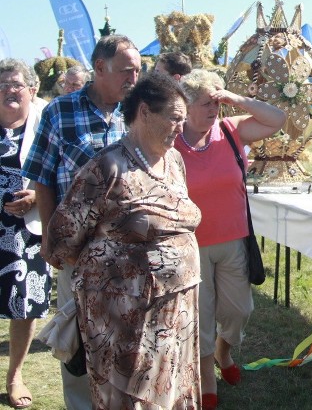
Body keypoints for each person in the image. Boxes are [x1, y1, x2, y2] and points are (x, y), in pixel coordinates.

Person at [42, 72, 202, 408]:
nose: (180, 128)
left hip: (176, 311)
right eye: (174, 118)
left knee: (170, 391)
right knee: (131, 397)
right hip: (125, 318)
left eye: (183, 120)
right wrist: (118, 269)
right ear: (144, 112)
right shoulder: (107, 166)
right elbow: (60, 239)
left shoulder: (174, 160)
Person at [23, 34, 141, 410]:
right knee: (77, 337)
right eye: (127, 70)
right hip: (78, 250)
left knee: (126, 336)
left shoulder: (139, 112)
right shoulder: (59, 111)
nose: (134, 78)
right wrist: (48, 235)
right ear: (100, 68)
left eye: (138, 70)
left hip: (130, 249)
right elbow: (42, 176)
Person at [176, 69, 285, 409]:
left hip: (234, 240)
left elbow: (277, 119)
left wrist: (235, 98)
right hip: (191, 245)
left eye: (217, 102)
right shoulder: (170, 139)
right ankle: (207, 377)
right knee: (202, 315)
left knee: (239, 310)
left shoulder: (229, 129)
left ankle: (225, 349)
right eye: (207, 103)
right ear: (186, 105)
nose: (214, 109)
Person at [0, 59, 50, 409]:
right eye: (2, 84)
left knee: (24, 306)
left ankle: (15, 375)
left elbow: (62, 170)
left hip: (27, 229)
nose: (8, 90)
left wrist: (37, 195)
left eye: (16, 83)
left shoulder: (45, 122)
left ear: (32, 89)